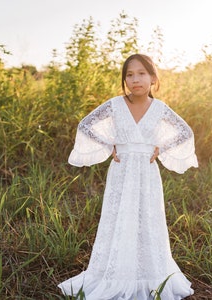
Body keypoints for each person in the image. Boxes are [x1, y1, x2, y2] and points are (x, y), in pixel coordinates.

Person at [58, 53, 198, 299]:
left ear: (153, 78)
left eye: (142, 74)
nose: (136, 80)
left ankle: (148, 274)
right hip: (122, 172)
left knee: (147, 218)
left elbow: (184, 132)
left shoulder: (160, 108)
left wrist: (161, 148)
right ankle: (116, 273)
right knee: (119, 217)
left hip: (147, 172)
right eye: (130, 75)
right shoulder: (115, 104)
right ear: (125, 80)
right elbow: (86, 125)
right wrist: (108, 144)